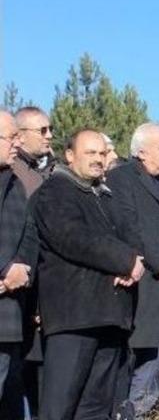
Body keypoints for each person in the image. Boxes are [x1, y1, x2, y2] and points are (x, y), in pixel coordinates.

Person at [32, 129, 145, 420]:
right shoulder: (55, 191)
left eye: (102, 153)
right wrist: (125, 260)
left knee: (95, 408)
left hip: (110, 314)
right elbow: (73, 237)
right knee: (59, 407)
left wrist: (132, 264)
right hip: (74, 316)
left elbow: (130, 235)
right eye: (90, 153)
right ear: (70, 155)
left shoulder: (104, 195)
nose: (98, 159)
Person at [105, 123, 159, 416]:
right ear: (141, 151)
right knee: (131, 360)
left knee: (158, 359)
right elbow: (127, 225)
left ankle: (138, 411)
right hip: (139, 286)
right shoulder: (121, 178)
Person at [11, 106, 54, 418]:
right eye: (42, 130)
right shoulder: (15, 177)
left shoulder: (39, 174)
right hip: (19, 292)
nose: (49, 136)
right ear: (20, 135)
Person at [0, 111, 36, 420]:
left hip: (9, 313)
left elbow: (28, 234)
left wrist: (21, 269)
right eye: (11, 137)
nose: (17, 143)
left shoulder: (15, 184)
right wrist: (3, 269)